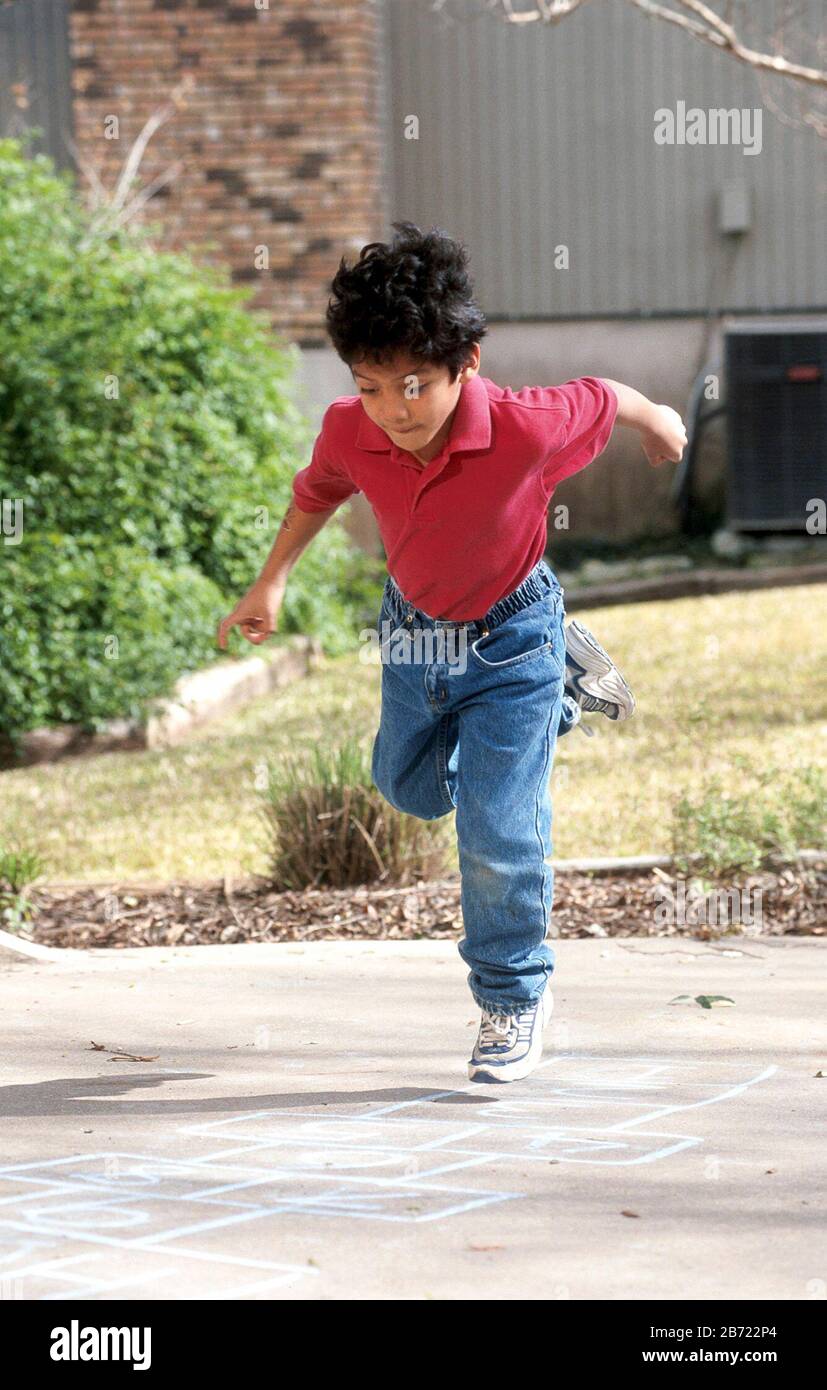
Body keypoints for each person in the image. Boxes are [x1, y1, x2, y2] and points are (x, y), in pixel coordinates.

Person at [217, 222, 687, 1084]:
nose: (394, 412)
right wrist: (270, 582)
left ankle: (512, 997)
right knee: (404, 786)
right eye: (370, 388)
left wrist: (658, 420)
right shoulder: (348, 429)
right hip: (411, 631)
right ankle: (568, 699)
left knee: (495, 829)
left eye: (413, 386)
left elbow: (603, 393)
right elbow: (316, 491)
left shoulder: (522, 426)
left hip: (513, 632)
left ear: (463, 363)